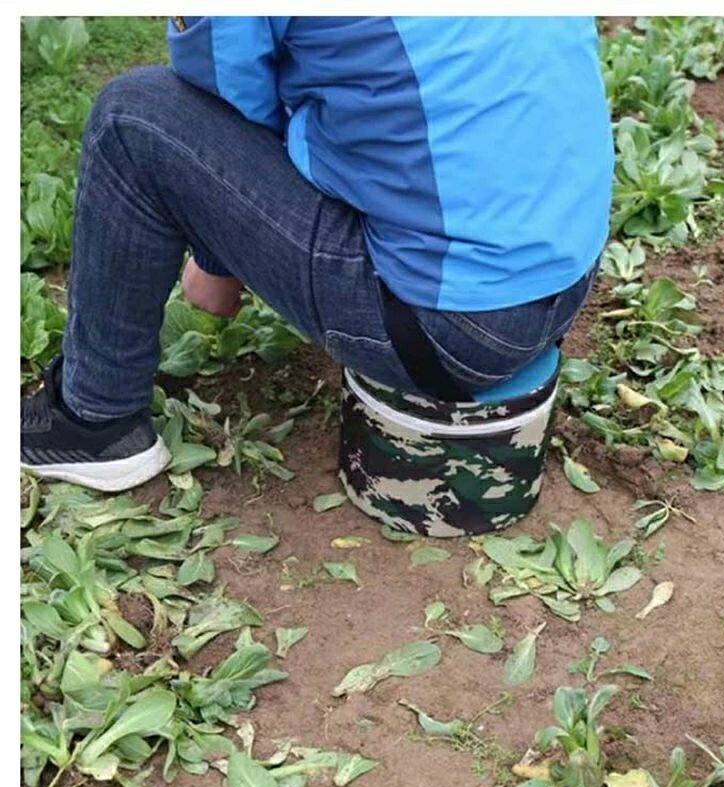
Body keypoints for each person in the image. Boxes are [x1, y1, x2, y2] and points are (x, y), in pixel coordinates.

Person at [21, 15, 613, 492]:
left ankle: (94, 420)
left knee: (131, 117)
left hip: (443, 331)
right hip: (565, 281)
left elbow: (225, 100)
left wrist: (217, 259)